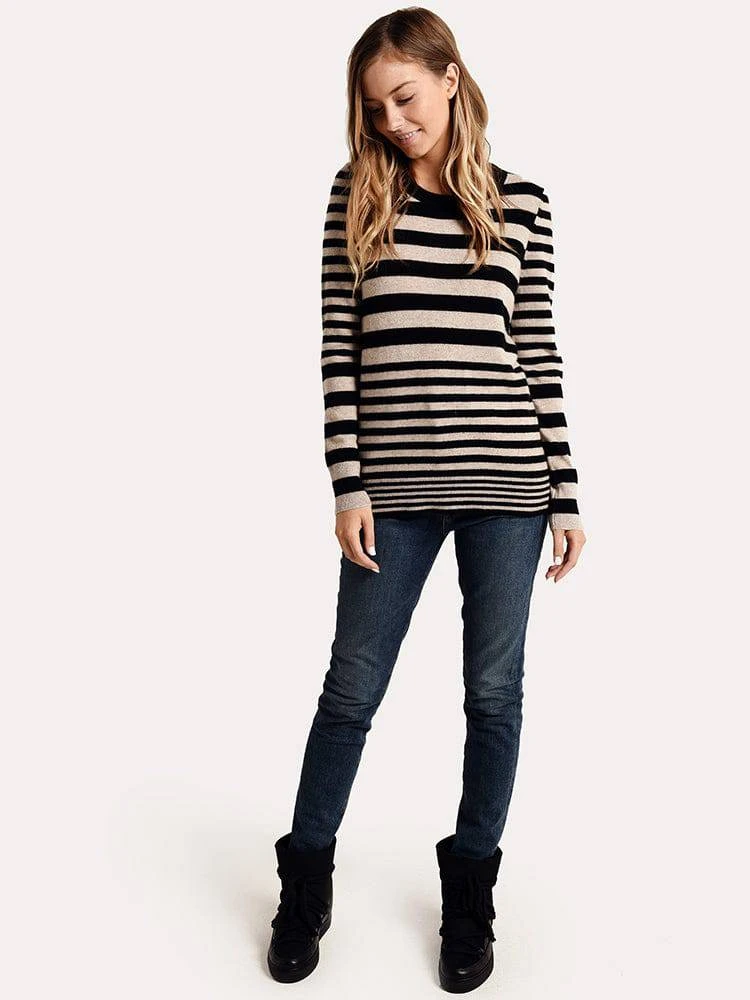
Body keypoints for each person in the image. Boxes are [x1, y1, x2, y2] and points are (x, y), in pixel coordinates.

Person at [267, 7, 586, 992]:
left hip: (507, 486)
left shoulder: (523, 202)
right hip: (393, 493)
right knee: (351, 691)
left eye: (405, 97)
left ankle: (470, 894)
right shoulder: (357, 195)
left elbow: (537, 350)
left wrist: (566, 494)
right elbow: (338, 350)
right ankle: (305, 882)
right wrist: (347, 483)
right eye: (376, 108)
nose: (393, 122)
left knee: (495, 696)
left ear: (451, 77)